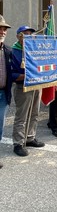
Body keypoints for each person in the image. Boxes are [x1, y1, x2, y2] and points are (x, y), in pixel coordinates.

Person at [11, 25, 45, 157]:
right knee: (22, 116)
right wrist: (26, 75)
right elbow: (11, 74)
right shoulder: (14, 51)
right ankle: (18, 143)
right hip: (22, 86)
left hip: (36, 85)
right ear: (19, 35)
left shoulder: (34, 49)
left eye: (31, 34)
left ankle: (30, 137)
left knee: (34, 113)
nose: (28, 36)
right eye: (25, 34)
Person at [0, 15, 12, 167]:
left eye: (4, 29)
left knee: (0, 127)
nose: (2, 32)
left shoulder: (8, 50)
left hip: (3, 94)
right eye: (0, 29)